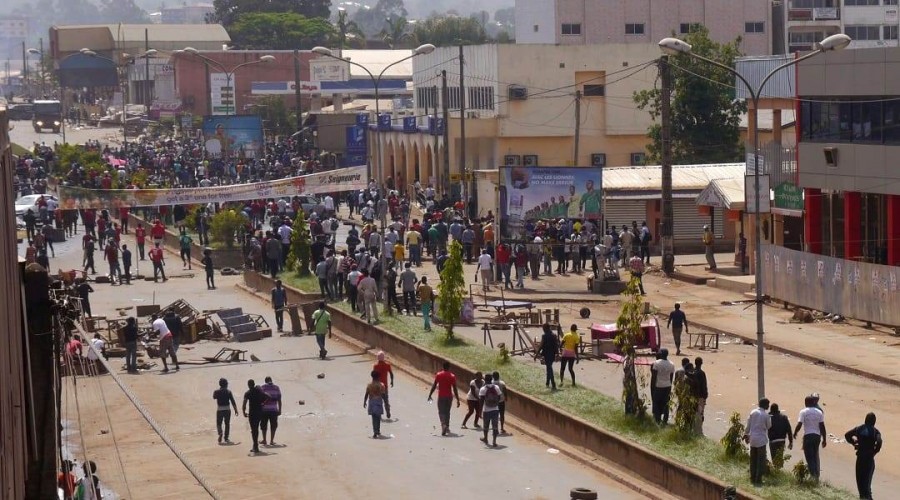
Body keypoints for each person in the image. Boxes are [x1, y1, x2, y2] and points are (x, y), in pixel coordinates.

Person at [845, 412, 882, 499]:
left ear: (865, 420)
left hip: (860, 458)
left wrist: (854, 443)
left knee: (860, 482)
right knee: (867, 484)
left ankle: (862, 497)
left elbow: (847, 435)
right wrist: (874, 452)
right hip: (869, 459)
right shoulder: (875, 431)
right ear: (874, 422)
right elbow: (879, 442)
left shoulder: (859, 428)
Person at [793, 395, 827, 482]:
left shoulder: (803, 411)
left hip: (808, 436)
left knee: (809, 457)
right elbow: (822, 426)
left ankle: (813, 477)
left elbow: (800, 424)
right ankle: (816, 475)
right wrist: (824, 439)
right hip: (817, 437)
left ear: (806, 402)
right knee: (815, 456)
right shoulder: (819, 412)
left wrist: (795, 432)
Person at [427, 361, 461, 436]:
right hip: (449, 396)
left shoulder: (439, 375)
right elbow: (455, 388)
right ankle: (447, 426)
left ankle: (443, 425)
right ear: (449, 367)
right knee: (447, 411)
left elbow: (434, 385)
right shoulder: (452, 376)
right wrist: (458, 399)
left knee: (441, 412)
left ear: (443, 367)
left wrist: (430, 394)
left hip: (441, 395)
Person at [744, 398, 772, 486]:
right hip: (761, 440)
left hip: (753, 439)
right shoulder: (766, 415)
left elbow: (748, 425)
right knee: (761, 460)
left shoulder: (753, 412)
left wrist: (746, 434)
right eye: (768, 404)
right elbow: (769, 426)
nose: (768, 406)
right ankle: (758, 479)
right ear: (764, 405)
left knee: (753, 459)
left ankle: (752, 478)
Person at [242, 379, 268, 454]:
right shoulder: (259, 391)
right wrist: (263, 403)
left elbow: (244, 404)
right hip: (259, 412)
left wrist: (244, 412)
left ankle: (255, 446)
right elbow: (268, 396)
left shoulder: (247, 393)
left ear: (248, 385)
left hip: (252, 413)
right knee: (256, 429)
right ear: (254, 384)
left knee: (254, 430)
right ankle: (255, 446)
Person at [650, 348, 675, 425]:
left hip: (658, 386)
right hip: (667, 386)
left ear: (660, 354)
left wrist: (652, 387)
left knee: (656, 402)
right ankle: (665, 420)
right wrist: (670, 388)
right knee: (666, 403)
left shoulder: (656, 363)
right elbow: (671, 377)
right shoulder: (671, 364)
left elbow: (654, 377)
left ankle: (657, 420)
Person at [479, 373, 502, 447]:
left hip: (486, 410)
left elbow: (481, 401)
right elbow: (499, 397)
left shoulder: (483, 389)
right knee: (495, 426)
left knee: (486, 426)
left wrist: (479, 411)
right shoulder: (496, 387)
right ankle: (494, 441)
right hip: (495, 409)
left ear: (485, 380)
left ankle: (486, 438)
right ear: (491, 379)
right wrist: (495, 403)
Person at [213, 378, 238, 444]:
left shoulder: (216, 391)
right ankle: (226, 438)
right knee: (227, 424)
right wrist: (236, 410)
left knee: (219, 423)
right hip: (227, 409)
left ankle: (220, 433)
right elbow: (233, 401)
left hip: (220, 409)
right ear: (226, 384)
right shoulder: (229, 392)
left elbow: (214, 397)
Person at [768, 403, 793, 468]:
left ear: (771, 410)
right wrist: (790, 442)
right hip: (782, 440)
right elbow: (789, 430)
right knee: (780, 457)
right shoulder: (784, 417)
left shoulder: (769, 418)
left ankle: (776, 472)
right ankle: (779, 471)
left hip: (773, 441)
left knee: (774, 459)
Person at [259, 376, 282, 446]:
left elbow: (260, 399)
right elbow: (279, 400)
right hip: (274, 410)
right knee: (273, 425)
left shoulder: (262, 387)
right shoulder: (277, 388)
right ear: (271, 380)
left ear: (265, 381)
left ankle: (264, 440)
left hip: (264, 410)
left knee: (263, 425)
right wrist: (280, 410)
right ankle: (272, 441)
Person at [364, 370, 387, 438]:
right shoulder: (381, 385)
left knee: (373, 418)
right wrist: (386, 403)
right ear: (379, 377)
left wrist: (364, 402)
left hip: (371, 402)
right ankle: (378, 430)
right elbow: (383, 395)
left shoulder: (369, 385)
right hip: (378, 402)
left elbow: (366, 394)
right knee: (378, 417)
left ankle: (375, 432)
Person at [373, 351, 395, 419]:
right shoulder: (387, 365)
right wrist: (392, 381)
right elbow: (391, 374)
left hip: (378, 386)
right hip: (385, 386)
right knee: (386, 400)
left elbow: (374, 376)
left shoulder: (375, 366)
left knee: (378, 400)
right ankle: (388, 412)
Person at [539, 323, 559, 390]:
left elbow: (541, 346)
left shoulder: (544, 336)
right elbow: (556, 346)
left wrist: (536, 355)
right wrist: (557, 354)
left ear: (545, 328)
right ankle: (547, 383)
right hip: (552, 354)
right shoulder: (554, 335)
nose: (543, 330)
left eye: (543, 328)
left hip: (547, 354)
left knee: (549, 368)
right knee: (548, 368)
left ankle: (553, 384)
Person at [693, 357, 709, 435]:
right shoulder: (701, 373)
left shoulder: (692, 372)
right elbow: (704, 385)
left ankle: (694, 429)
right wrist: (705, 395)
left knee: (695, 413)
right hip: (700, 397)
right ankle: (699, 431)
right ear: (701, 363)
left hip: (693, 396)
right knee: (700, 413)